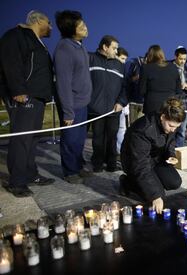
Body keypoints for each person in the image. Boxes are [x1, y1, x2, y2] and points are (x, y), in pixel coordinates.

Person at [0, 10, 55, 197]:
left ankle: (30, 174)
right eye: (48, 22)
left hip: (38, 97)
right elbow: (10, 63)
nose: (51, 26)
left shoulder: (38, 42)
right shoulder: (15, 36)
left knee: (32, 139)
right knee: (22, 139)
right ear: (38, 20)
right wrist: (18, 90)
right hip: (24, 96)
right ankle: (16, 182)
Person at [119, 97, 185, 214]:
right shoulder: (142, 130)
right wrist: (155, 195)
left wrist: (171, 154)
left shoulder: (168, 124)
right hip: (134, 162)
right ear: (162, 117)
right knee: (158, 195)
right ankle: (127, 182)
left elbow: (170, 141)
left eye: (177, 127)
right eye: (171, 126)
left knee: (174, 182)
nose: (173, 130)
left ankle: (152, 181)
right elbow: (140, 164)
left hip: (155, 159)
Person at [54, 10, 92, 184]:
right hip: (72, 105)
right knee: (70, 139)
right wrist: (68, 112)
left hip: (83, 103)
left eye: (84, 23)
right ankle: (70, 171)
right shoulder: (64, 49)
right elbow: (63, 83)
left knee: (79, 139)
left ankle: (78, 165)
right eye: (81, 26)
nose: (85, 27)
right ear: (70, 30)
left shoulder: (80, 46)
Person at [88, 35, 127, 172]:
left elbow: (125, 88)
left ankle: (111, 164)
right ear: (105, 47)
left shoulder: (120, 65)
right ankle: (97, 163)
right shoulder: (90, 59)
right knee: (97, 139)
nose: (116, 51)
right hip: (95, 109)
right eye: (114, 48)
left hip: (114, 110)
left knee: (112, 138)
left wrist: (121, 102)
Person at [139, 45, 181, 115]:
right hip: (170, 106)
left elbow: (142, 90)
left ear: (149, 55)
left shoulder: (146, 68)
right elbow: (179, 90)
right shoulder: (173, 67)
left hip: (152, 106)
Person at [172, 46, 187, 147]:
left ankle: (179, 151)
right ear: (175, 57)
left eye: (185, 59)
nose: (183, 61)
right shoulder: (170, 68)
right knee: (172, 128)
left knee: (182, 129)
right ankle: (169, 151)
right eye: (181, 59)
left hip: (185, 102)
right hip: (173, 101)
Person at [116, 47, 130, 154]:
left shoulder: (123, 69)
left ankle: (120, 151)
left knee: (122, 128)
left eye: (125, 59)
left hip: (122, 104)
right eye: (122, 58)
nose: (124, 61)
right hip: (112, 105)